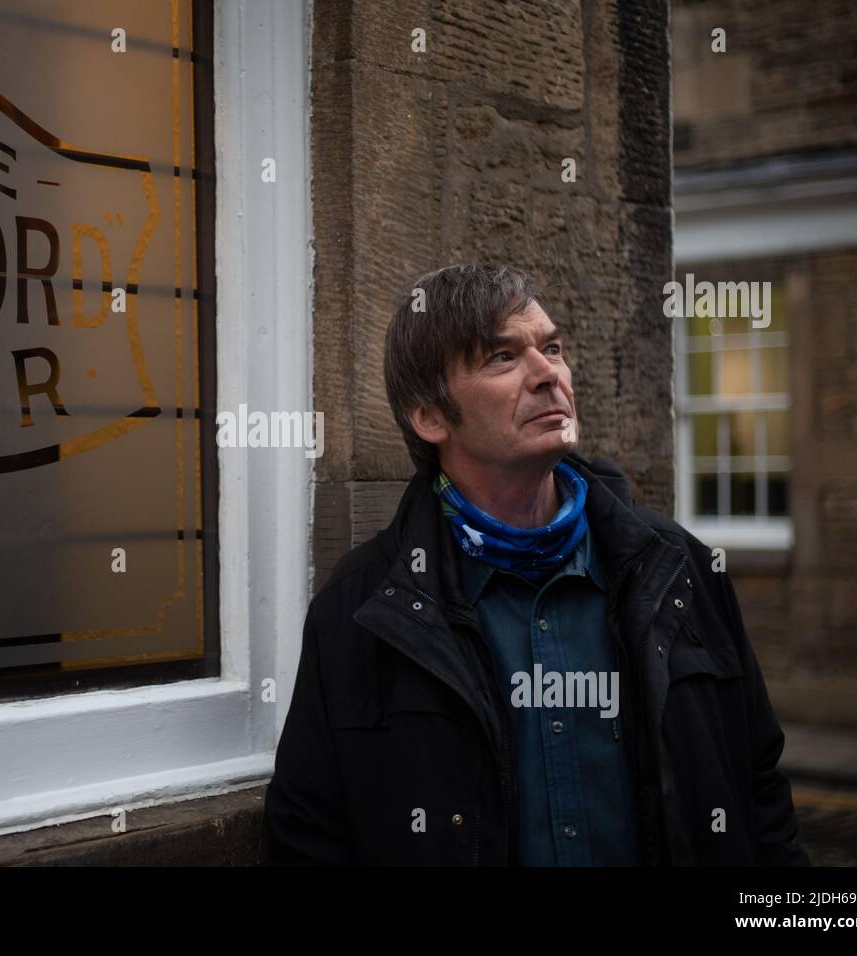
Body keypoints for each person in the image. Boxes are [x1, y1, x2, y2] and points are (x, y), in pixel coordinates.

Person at [261, 263, 810, 866]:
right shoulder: (359, 610)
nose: (549, 374)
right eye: (503, 357)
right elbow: (308, 837)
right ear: (429, 416)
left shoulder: (680, 568)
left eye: (551, 347)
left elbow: (758, 792)